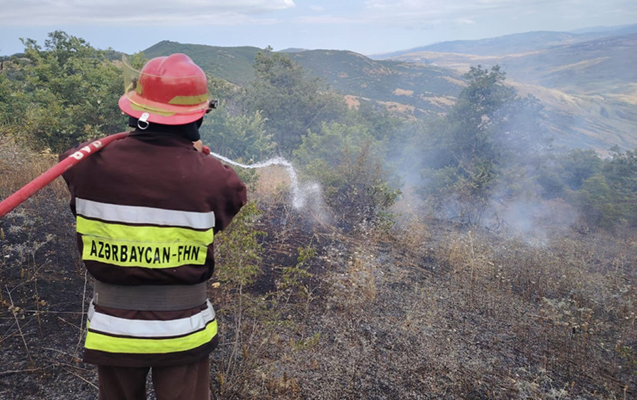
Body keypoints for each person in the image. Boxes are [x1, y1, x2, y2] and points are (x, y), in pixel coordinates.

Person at [60, 53, 247, 400]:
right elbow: (229, 203)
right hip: (183, 330)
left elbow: (69, 160)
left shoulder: (85, 164)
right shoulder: (214, 178)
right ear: (197, 117)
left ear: (135, 109)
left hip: (113, 328)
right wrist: (194, 158)